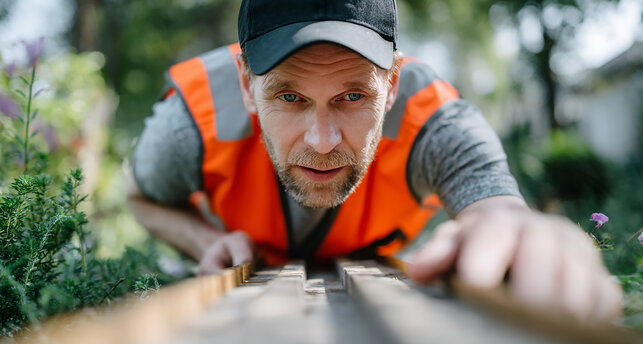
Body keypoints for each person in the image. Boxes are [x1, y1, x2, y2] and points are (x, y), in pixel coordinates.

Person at [126, 0, 622, 321]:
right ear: (245, 84)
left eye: (353, 95)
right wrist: (208, 240)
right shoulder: (190, 119)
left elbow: (497, 211)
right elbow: (139, 197)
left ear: (391, 83)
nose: (322, 142)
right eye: (291, 98)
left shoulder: (436, 122)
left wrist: (524, 234)